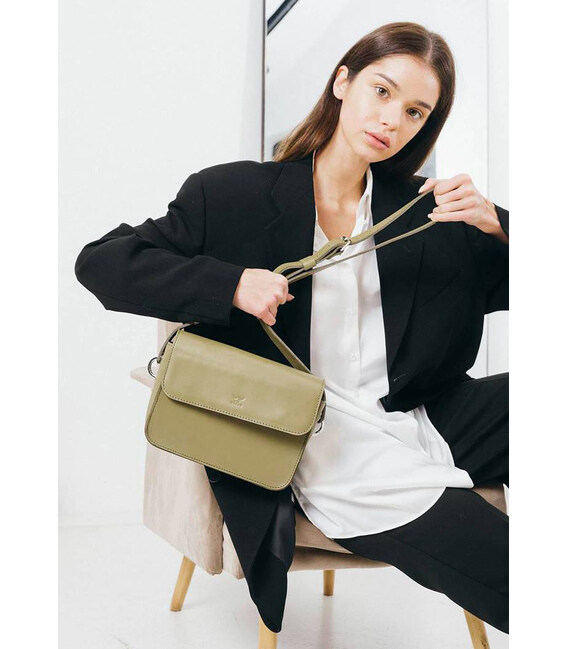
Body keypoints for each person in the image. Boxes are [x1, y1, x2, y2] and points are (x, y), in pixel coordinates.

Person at [74, 22, 509, 637]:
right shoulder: (231, 194)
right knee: (507, 562)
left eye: (415, 111)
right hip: (310, 440)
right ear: (342, 81)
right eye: (382, 91)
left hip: (416, 419)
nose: (392, 119)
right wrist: (230, 284)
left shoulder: (427, 211)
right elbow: (101, 263)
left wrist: (501, 226)